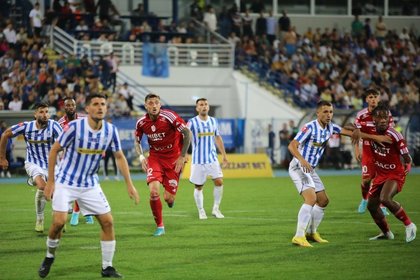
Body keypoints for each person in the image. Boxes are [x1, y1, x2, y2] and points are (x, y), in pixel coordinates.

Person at [38, 94, 139, 278]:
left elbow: (119, 157)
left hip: (90, 184)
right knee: (59, 223)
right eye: (95, 104)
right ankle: (49, 256)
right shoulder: (74, 127)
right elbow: (54, 150)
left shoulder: (110, 130)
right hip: (65, 182)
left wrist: (129, 185)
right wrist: (51, 181)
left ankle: (107, 267)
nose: (100, 107)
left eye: (103, 104)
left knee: (108, 222)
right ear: (87, 109)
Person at [288, 101, 390, 247]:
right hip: (299, 166)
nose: (328, 115)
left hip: (310, 169)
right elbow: (292, 145)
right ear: (318, 113)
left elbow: (351, 133)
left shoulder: (331, 127)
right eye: (325, 112)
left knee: (323, 201)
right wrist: (302, 160)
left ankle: (311, 232)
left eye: (330, 112)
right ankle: (298, 236)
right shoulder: (309, 127)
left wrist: (374, 138)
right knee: (311, 198)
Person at [0, 103, 62, 232]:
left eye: (46, 112)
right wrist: (2, 157)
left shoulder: (54, 125)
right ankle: (40, 218)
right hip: (33, 163)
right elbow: (5, 134)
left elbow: (65, 142)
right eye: (41, 112)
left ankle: (58, 212)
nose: (45, 115)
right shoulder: (27, 127)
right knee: (42, 186)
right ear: (35, 114)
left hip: (52, 165)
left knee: (53, 191)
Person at [135, 93, 191, 236]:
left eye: (156, 103)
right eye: (151, 103)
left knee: (168, 198)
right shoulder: (141, 122)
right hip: (155, 158)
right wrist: (142, 157)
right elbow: (137, 141)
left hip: (173, 160)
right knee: (154, 192)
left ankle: (171, 199)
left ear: (160, 105)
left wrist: (182, 156)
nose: (154, 106)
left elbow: (187, 133)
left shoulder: (169, 117)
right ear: (146, 105)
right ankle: (160, 226)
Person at [366, 103, 416, 243]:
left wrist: (407, 165)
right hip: (380, 175)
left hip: (395, 173)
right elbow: (352, 129)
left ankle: (409, 225)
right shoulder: (369, 130)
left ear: (389, 119)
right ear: (373, 119)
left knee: (385, 199)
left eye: (386, 117)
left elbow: (407, 157)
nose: (383, 120)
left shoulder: (394, 134)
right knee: (371, 206)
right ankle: (386, 233)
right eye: (380, 117)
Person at [353, 88, 392, 215]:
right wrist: (357, 149)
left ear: (379, 98)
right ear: (366, 99)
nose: (373, 99)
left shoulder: (386, 113)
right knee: (366, 180)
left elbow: (390, 133)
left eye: (375, 96)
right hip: (368, 149)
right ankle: (364, 199)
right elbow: (356, 134)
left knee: (382, 179)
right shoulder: (361, 115)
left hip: (382, 150)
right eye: (370, 97)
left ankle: (382, 204)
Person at [187, 98, 228, 220]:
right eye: (201, 105)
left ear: (208, 107)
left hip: (212, 158)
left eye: (206, 104)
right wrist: (183, 154)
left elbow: (218, 138)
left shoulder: (214, 121)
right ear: (197, 108)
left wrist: (224, 155)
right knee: (199, 186)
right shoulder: (192, 122)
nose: (204, 106)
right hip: (198, 160)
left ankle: (216, 208)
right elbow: (185, 137)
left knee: (219, 182)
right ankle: (201, 210)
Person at [58, 97, 94, 226]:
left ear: (75, 106)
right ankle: (84, 213)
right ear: (64, 107)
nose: (70, 107)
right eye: (67, 105)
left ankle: (78, 213)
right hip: (67, 159)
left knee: (84, 186)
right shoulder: (60, 123)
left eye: (72, 105)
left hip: (84, 157)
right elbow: (58, 142)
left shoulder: (84, 119)